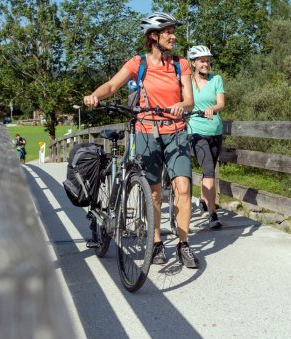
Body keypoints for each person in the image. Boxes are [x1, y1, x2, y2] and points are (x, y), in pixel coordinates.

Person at [83, 13, 199, 268]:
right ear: (153, 36)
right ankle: (156, 243)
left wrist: (181, 105)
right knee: (154, 192)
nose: (173, 36)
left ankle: (183, 244)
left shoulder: (181, 64)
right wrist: (94, 95)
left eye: (173, 31)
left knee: (183, 187)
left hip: (176, 130)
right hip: (146, 132)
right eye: (168, 31)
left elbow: (189, 100)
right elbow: (112, 86)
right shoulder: (138, 63)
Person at [187, 45, 225, 230]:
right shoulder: (187, 82)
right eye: (202, 60)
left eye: (208, 60)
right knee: (209, 169)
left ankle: (204, 201)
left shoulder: (216, 79)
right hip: (195, 131)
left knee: (207, 171)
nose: (206, 63)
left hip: (216, 130)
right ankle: (213, 214)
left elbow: (221, 103)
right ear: (194, 63)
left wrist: (213, 108)